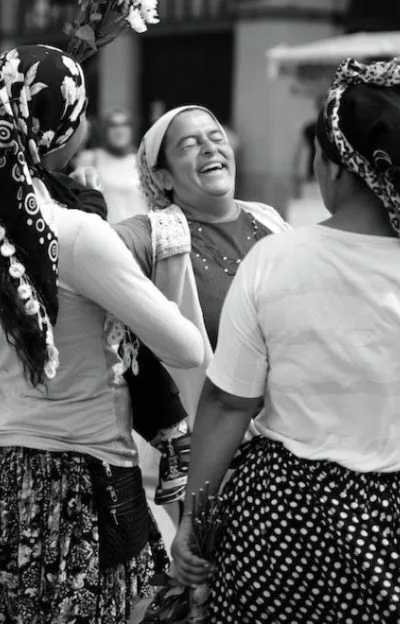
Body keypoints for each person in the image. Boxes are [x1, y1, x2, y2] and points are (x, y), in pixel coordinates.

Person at [171, 58, 400, 624]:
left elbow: (227, 404)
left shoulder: (272, 259)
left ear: (332, 166)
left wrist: (195, 517)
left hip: (275, 521)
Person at [0, 45, 203, 624]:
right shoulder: (79, 234)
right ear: (66, 131)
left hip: (7, 460)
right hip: (87, 470)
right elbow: (186, 348)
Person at [112, 105, 289, 521]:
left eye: (216, 137)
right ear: (163, 177)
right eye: (190, 144)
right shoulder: (152, 235)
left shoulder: (270, 220)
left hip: (293, 447)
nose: (210, 148)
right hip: (212, 462)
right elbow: (91, 250)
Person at [73, 108, 148, 223]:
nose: (119, 130)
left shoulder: (142, 161)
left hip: (138, 231)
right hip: (105, 230)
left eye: (124, 124)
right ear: (104, 129)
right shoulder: (91, 158)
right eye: (113, 125)